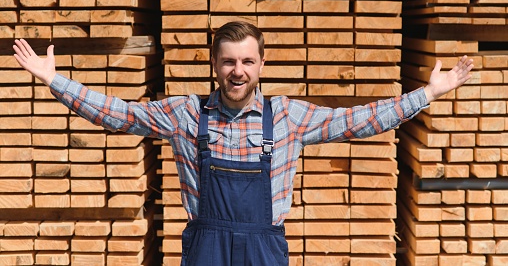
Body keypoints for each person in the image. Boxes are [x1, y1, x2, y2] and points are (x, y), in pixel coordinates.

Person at [13, 21, 474, 266]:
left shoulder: (289, 117)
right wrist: (57, 81)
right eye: (229, 61)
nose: (238, 71)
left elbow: (357, 121)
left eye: (247, 61)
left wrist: (429, 93)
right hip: (205, 251)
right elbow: (121, 114)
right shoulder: (185, 113)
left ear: (262, 64)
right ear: (214, 63)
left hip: (264, 250)